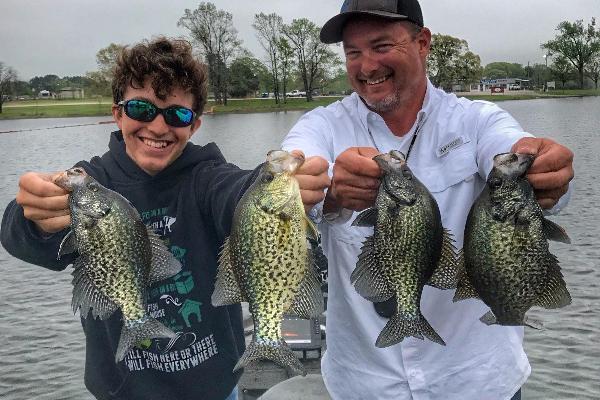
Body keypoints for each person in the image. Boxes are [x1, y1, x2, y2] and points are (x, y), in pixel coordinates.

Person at [0, 37, 329, 400]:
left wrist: (271, 185)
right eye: (142, 109)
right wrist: (32, 219)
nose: (158, 127)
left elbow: (235, 192)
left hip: (215, 389)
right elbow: (24, 240)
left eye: (177, 114)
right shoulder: (92, 186)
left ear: (195, 125)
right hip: (121, 391)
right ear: (117, 113)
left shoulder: (207, 177)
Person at [282, 1, 574, 399]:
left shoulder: (476, 120)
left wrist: (545, 172)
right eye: (353, 52)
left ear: (422, 43)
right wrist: (327, 191)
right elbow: (294, 170)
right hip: (364, 385)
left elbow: (511, 149)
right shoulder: (322, 125)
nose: (366, 66)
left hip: (477, 382)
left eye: (381, 46)